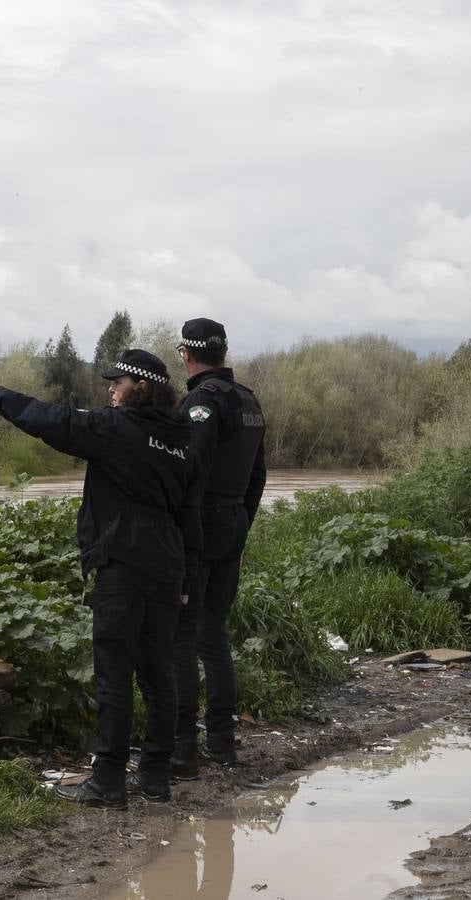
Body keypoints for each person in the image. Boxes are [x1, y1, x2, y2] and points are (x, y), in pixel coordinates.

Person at [0, 348, 195, 809]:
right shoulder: (181, 438)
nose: (109, 390)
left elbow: (51, 419)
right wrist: (185, 578)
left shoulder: (116, 429)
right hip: (167, 565)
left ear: (140, 387)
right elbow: (188, 511)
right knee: (159, 672)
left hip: (123, 563)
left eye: (117, 383)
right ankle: (155, 777)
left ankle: (108, 782)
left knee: (114, 674)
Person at [170, 317, 266, 775]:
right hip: (233, 523)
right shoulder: (248, 400)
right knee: (214, 636)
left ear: (186, 355)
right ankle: (222, 743)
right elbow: (258, 476)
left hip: (202, 527)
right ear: (222, 353)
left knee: (184, 639)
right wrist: (243, 518)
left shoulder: (203, 402)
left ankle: (184, 749)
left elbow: (189, 470)